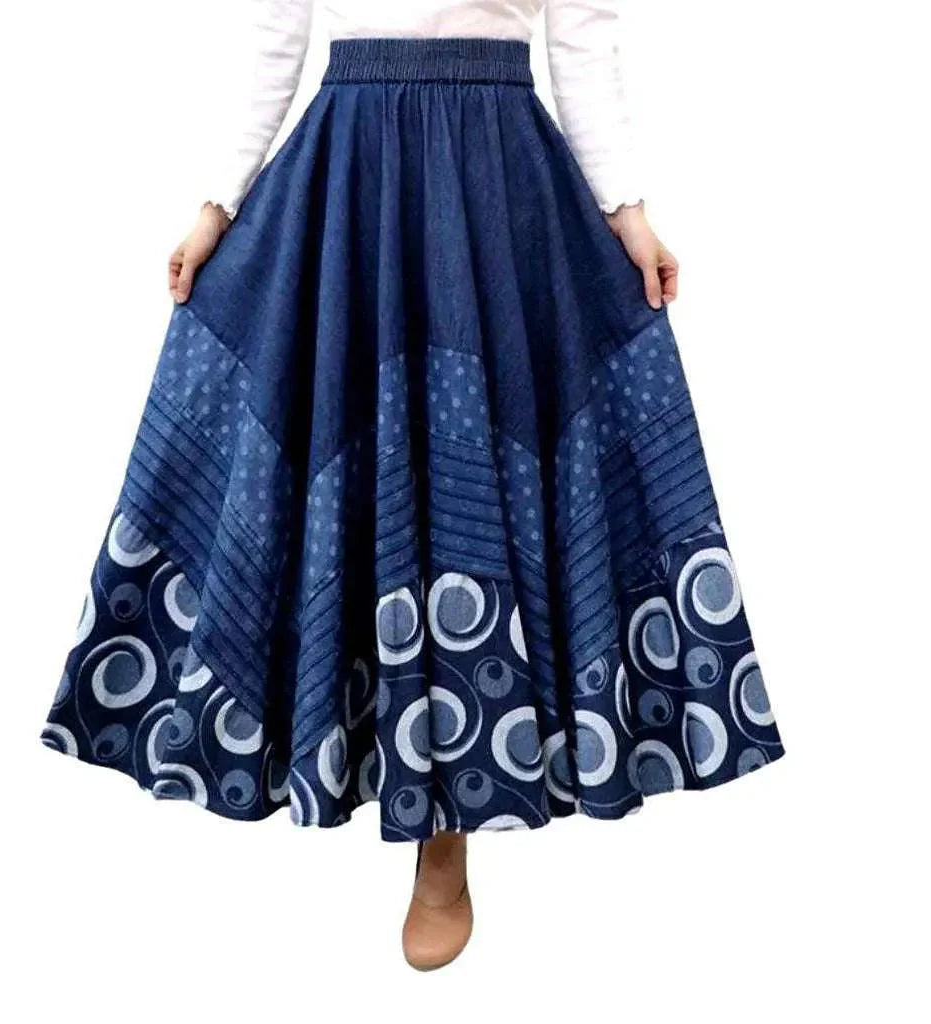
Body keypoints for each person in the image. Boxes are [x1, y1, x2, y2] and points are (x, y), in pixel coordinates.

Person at [43, 1, 784, 972]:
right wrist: (218, 203)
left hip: (497, 180)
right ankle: (328, 749)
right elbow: (276, 32)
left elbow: (582, 34)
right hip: (350, 182)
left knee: (467, 490)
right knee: (336, 467)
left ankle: (447, 840)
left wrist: (628, 211)